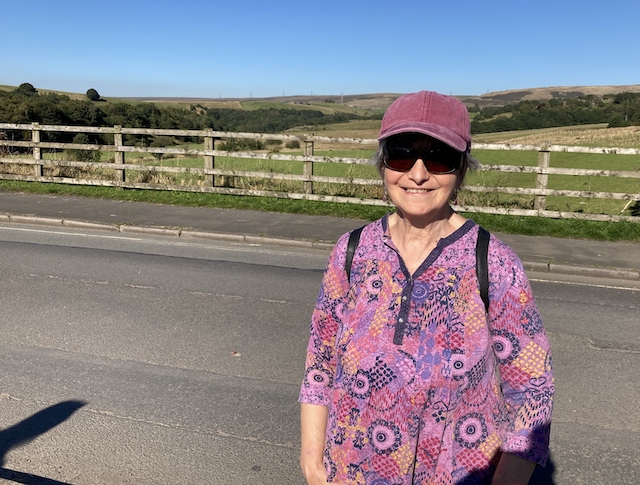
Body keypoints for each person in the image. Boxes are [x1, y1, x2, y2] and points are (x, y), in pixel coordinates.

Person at [298, 90, 554, 485]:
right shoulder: (351, 252)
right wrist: (313, 463)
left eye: (438, 157)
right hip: (349, 472)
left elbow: (533, 389)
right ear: (383, 163)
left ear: (462, 169)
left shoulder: (494, 262)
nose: (418, 173)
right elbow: (320, 363)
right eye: (402, 153)